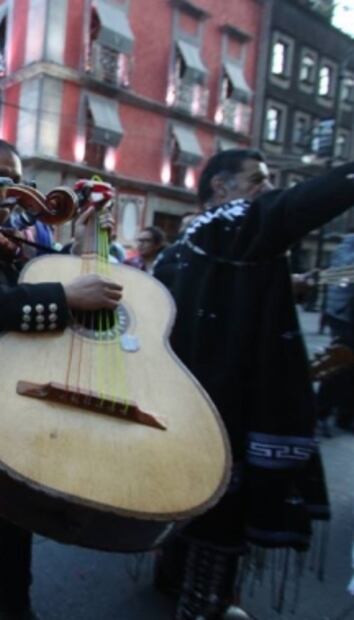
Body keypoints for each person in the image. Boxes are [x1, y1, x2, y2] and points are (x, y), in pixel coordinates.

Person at [152, 148, 354, 619]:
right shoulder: (232, 225)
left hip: (182, 411)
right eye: (257, 179)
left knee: (187, 514)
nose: (267, 190)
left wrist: (280, 283)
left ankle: (175, 583)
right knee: (220, 527)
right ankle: (201, 607)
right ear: (221, 189)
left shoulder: (183, 248)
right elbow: (299, 204)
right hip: (226, 415)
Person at [0, 138, 123, 619]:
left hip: (20, 397)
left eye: (17, 180)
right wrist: (63, 293)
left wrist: (79, 250)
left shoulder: (18, 235)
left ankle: (13, 596)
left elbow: (48, 282)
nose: (11, 192)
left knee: (20, 512)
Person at [317, 229, 354, 431]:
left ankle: (345, 416)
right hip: (344, 316)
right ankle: (321, 411)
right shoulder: (347, 246)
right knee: (340, 364)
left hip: (346, 314)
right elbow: (339, 275)